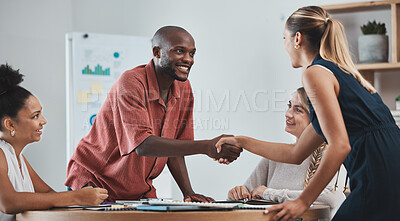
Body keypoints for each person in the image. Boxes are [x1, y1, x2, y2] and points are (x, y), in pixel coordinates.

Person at [216, 6, 400, 221]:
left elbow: (340, 145)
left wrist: (302, 202)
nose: (284, 45)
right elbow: (295, 153)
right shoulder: (341, 74)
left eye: (284, 38)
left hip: (378, 177)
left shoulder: (315, 73)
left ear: (297, 39)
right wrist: (241, 141)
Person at [65, 26, 242, 202]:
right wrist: (206, 147)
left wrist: (188, 191)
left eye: (192, 53)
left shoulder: (184, 88)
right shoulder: (131, 83)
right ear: (157, 52)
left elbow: (176, 146)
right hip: (97, 182)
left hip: (138, 189)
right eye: (180, 51)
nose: (188, 59)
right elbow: (143, 144)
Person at [0, 64, 108, 221]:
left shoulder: (17, 156)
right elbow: (8, 202)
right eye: (35, 116)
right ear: (10, 125)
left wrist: (80, 196)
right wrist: (76, 197)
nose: (43, 121)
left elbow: (48, 195)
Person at [227, 88, 345, 219]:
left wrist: (269, 193)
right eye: (289, 106)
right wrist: (236, 194)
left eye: (298, 110)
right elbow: (247, 197)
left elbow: (331, 198)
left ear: (316, 119)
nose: (288, 114)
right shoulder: (275, 157)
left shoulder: (333, 154)